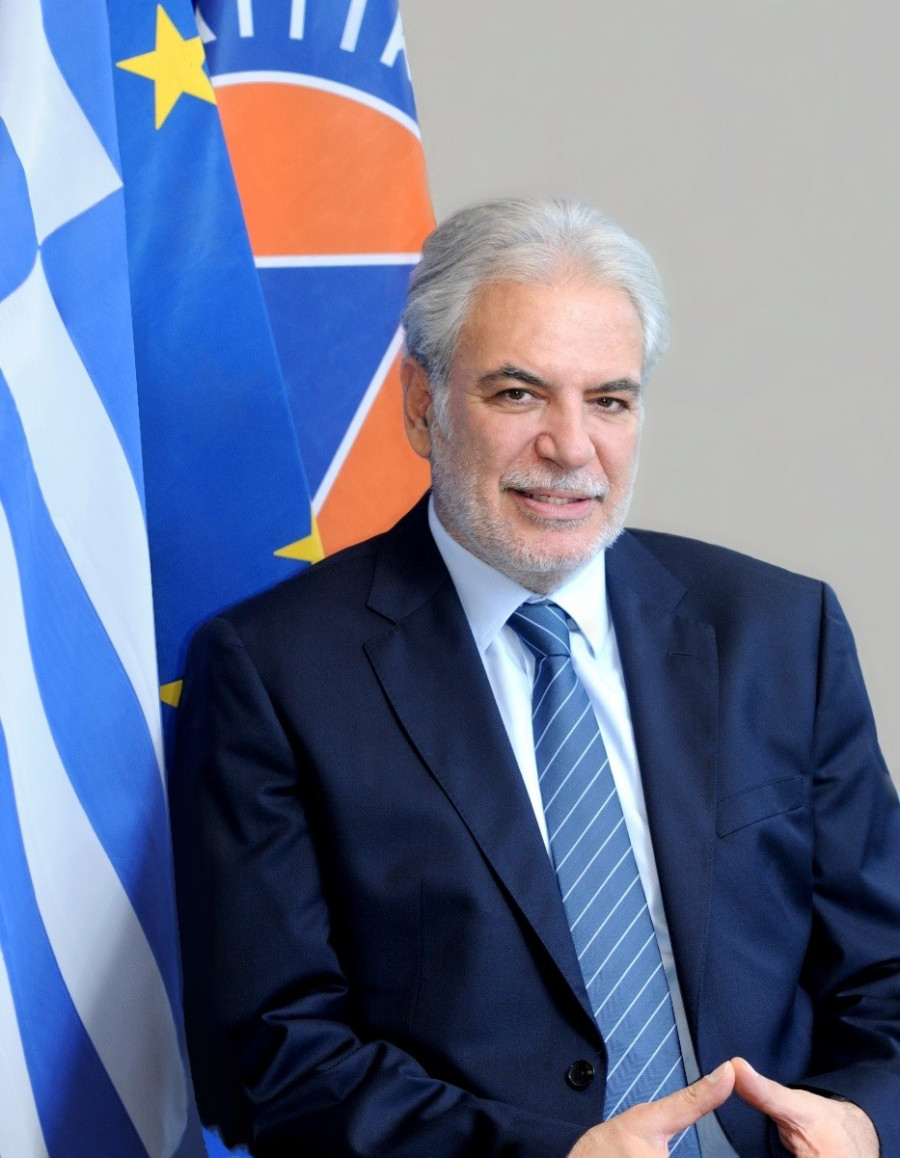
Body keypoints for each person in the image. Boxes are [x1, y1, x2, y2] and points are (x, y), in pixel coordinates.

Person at [170, 199, 900, 1157]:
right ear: (422, 405)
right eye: (518, 394)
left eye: (609, 400)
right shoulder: (273, 672)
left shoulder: (780, 633)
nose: (570, 447)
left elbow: (887, 974)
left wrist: (862, 1121)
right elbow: (275, 1058)